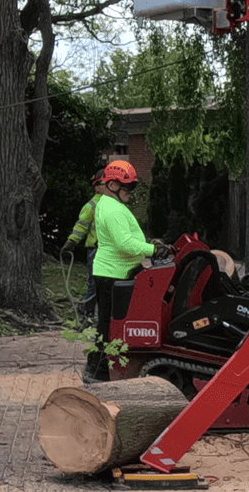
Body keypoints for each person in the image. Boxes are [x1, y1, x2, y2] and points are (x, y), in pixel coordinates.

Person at [83, 159, 162, 383]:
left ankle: (96, 368)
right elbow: (124, 244)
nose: (131, 191)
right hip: (113, 274)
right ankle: (97, 372)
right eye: (127, 186)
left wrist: (148, 244)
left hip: (114, 271)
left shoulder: (111, 206)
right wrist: (153, 250)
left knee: (107, 322)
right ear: (112, 186)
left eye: (132, 186)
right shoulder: (113, 210)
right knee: (109, 324)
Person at [62, 169, 111, 322]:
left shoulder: (115, 205)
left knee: (110, 285)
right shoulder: (91, 206)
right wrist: (71, 243)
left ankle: (105, 317)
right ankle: (87, 316)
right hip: (96, 251)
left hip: (111, 252)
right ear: (96, 186)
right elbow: (81, 227)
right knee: (95, 284)